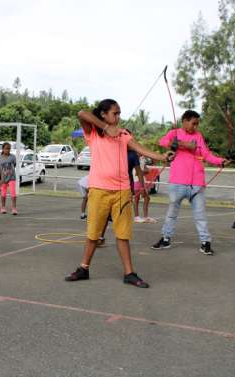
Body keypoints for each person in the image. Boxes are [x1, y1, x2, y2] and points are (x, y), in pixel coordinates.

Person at [65, 99, 172, 287]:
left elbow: (141, 150)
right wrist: (105, 128)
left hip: (122, 192)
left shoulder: (123, 135)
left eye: (119, 113)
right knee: (93, 234)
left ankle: (129, 273)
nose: (118, 117)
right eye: (115, 113)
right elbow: (82, 113)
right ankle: (83, 268)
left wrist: (163, 157)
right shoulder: (93, 134)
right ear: (104, 114)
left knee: (122, 234)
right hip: (99, 190)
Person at [151, 110, 227, 255]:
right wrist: (183, 144)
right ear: (184, 121)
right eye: (193, 123)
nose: (195, 127)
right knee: (171, 213)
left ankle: (205, 243)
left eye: (197, 124)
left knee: (200, 215)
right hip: (177, 182)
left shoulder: (198, 136)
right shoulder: (174, 133)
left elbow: (206, 154)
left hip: (197, 183)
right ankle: (165, 239)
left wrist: (219, 161)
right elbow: (162, 142)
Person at [0, 142, 18, 215]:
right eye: (6, 149)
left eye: (9, 149)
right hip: (3, 178)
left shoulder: (12, 157)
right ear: (3, 149)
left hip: (12, 177)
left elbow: (14, 165)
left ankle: (14, 208)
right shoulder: (0, 158)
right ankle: (3, 207)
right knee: (3, 193)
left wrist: (10, 171)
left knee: (13, 192)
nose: (8, 150)